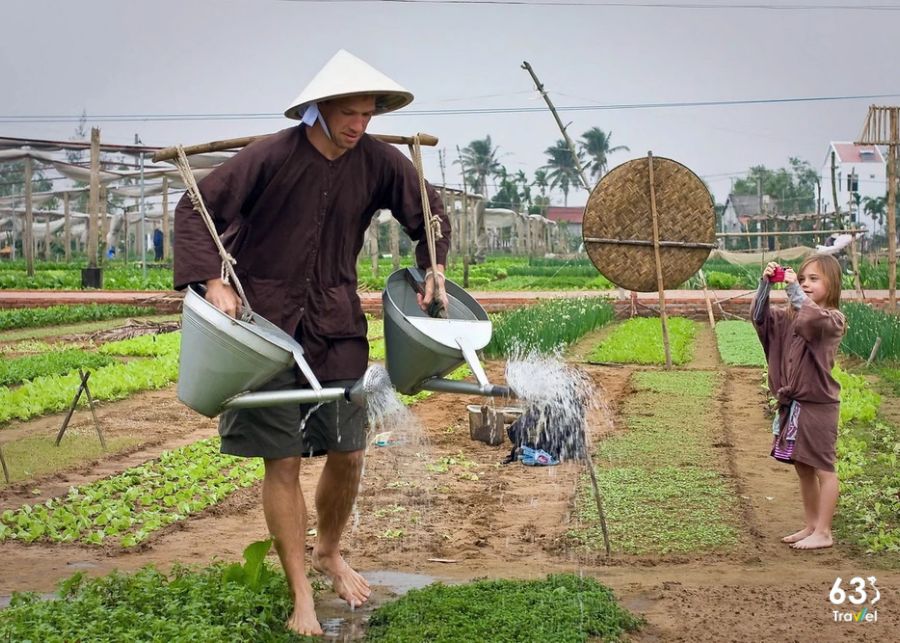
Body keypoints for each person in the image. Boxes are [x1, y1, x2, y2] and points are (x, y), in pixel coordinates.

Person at [173, 50, 450, 637]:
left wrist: (435, 266)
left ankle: (328, 550)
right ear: (319, 110)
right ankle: (301, 592)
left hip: (335, 323)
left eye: (368, 114)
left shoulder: (379, 162)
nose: (358, 125)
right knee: (283, 459)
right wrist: (215, 280)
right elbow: (193, 210)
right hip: (263, 327)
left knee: (349, 451)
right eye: (348, 113)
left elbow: (430, 213)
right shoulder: (269, 156)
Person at [750, 254, 845, 550]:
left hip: (817, 406)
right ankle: (812, 525)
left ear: (833, 284)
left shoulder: (833, 320)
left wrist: (792, 290)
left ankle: (825, 532)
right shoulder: (789, 316)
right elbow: (760, 318)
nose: (805, 284)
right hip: (795, 406)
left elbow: (813, 318)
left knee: (823, 468)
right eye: (802, 279)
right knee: (803, 467)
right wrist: (765, 285)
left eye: (814, 279)